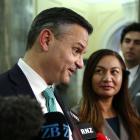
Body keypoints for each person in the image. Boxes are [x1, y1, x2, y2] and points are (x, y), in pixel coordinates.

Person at [0, 7, 93, 139]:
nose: (80, 63)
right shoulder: (3, 91)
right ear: (46, 40)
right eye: (76, 50)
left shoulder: (55, 97)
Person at [73, 49, 140, 140]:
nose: (107, 78)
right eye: (99, 71)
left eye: (114, 72)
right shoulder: (76, 116)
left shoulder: (132, 114)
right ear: (89, 76)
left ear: (123, 78)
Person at [120, 22, 140, 114]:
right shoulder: (111, 73)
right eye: (127, 41)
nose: (131, 46)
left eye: (137, 43)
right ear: (121, 45)